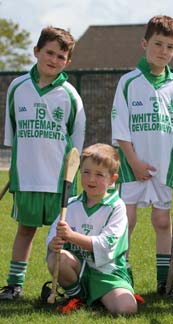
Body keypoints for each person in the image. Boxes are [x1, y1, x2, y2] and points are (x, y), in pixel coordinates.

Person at [111, 15, 173, 295]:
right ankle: (121, 277)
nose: (163, 51)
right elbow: (121, 128)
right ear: (144, 43)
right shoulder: (128, 82)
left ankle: (166, 282)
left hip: (164, 164)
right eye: (158, 44)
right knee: (127, 220)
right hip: (130, 166)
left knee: (162, 222)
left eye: (169, 46)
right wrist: (134, 161)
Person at [0, 27, 86, 300]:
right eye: (49, 52)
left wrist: (70, 177)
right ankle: (14, 285)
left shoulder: (70, 95)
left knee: (59, 238)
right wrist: (16, 169)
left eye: (61, 56)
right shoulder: (17, 87)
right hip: (26, 177)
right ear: (36, 52)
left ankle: (65, 286)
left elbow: (76, 143)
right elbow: (12, 136)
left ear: (67, 62)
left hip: (58, 179)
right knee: (25, 231)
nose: (54, 59)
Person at [46, 144, 137, 314]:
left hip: (107, 272)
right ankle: (78, 296)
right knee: (56, 257)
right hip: (78, 267)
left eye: (99, 174)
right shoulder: (71, 205)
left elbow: (105, 245)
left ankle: (98, 294)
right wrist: (54, 243)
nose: (91, 179)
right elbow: (51, 240)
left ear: (112, 179)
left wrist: (71, 236)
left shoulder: (116, 207)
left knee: (127, 309)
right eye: (86, 172)